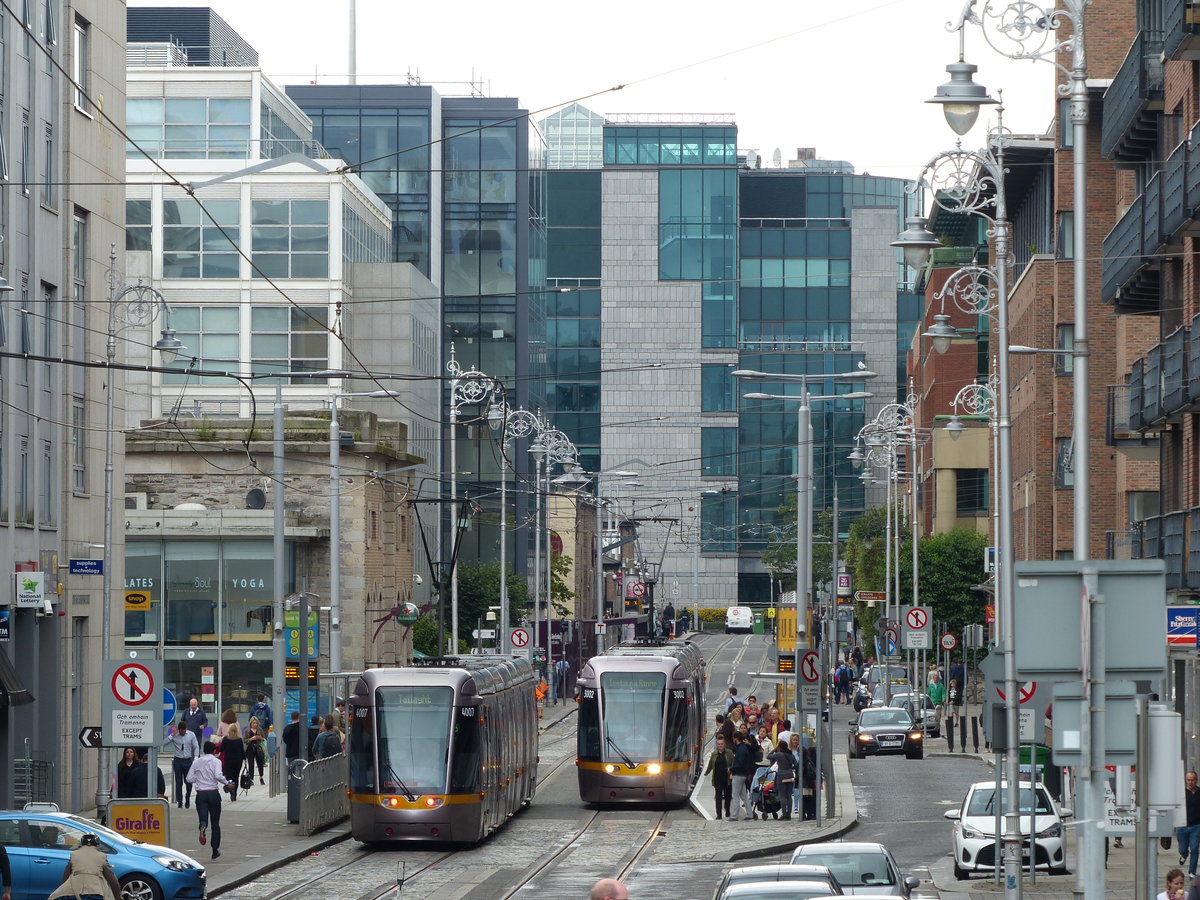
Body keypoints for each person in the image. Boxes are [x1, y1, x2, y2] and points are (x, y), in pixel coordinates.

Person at [186, 740, 232, 859]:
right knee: (215, 823)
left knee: (203, 817)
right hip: (213, 793)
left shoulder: (197, 762)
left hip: (201, 794)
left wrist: (199, 778)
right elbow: (218, 775)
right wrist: (227, 782)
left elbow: (189, 778)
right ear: (214, 751)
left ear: (203, 750)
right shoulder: (216, 761)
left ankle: (203, 825)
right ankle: (215, 850)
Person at [47, 832, 120, 900]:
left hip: (74, 892)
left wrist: (63, 888)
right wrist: (117, 897)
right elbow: (112, 879)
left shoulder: (74, 854)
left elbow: (66, 875)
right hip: (96, 892)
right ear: (97, 844)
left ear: (82, 843)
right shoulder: (102, 856)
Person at [164, 720, 200, 808]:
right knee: (178, 782)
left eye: (184, 731)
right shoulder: (175, 735)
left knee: (188, 782)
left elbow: (196, 746)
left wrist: (196, 757)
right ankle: (179, 801)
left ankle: (187, 798)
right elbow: (164, 743)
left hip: (187, 760)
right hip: (178, 760)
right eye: (181, 731)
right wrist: (172, 735)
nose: (183, 733)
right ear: (179, 729)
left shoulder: (191, 735)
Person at [703, 734, 734, 819]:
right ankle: (719, 814)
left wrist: (732, 772)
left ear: (724, 744)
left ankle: (727, 810)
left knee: (728, 796)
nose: (720, 746)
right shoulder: (714, 754)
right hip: (717, 778)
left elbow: (733, 763)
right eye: (719, 744)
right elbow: (710, 764)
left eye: (722, 744)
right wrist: (707, 772)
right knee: (718, 797)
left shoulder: (729, 753)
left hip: (727, 778)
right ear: (717, 745)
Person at [730, 731, 756, 822]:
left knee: (735, 795)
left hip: (738, 774)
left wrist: (731, 769)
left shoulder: (740, 749)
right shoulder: (744, 748)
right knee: (743, 795)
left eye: (734, 738)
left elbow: (739, 763)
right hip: (744, 774)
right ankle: (749, 814)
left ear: (736, 739)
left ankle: (734, 815)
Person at [768, 738, 796, 820]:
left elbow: (768, 756)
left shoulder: (779, 754)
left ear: (780, 747)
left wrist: (774, 749)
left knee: (782, 796)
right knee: (789, 796)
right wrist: (790, 768)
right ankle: (789, 814)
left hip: (781, 775)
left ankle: (784, 814)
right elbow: (796, 764)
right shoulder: (791, 755)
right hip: (790, 774)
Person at [1179, 771, 1200, 876]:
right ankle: (1184, 855)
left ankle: (1192, 872)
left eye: (1192, 780)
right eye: (1188, 780)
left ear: (1196, 780)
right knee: (1182, 848)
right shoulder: (1181, 793)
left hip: (1196, 826)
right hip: (1182, 825)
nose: (1190, 782)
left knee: (1195, 848)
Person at [219, 722, 246, 801]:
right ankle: (235, 792)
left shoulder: (226, 739)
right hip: (238, 761)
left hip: (229, 760)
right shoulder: (239, 740)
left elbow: (221, 749)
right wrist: (245, 759)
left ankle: (231, 792)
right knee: (236, 776)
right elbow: (242, 751)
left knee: (229, 777)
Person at [244, 715, 268, 785]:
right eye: (253, 723)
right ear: (251, 723)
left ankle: (261, 777)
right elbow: (244, 740)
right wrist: (251, 739)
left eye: (256, 723)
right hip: (250, 749)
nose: (255, 725)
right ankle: (251, 779)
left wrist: (260, 738)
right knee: (251, 764)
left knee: (260, 763)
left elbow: (264, 738)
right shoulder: (247, 730)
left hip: (258, 748)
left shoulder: (260, 730)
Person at [946, 678, 964, 752]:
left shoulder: (957, 689)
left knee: (956, 713)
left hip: (956, 703)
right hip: (951, 702)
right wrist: (949, 701)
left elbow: (958, 696)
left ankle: (956, 722)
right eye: (950, 684)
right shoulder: (950, 689)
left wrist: (954, 701)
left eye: (952, 683)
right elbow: (949, 695)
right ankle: (951, 721)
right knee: (951, 712)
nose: (951, 685)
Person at [927, 672, 946, 738]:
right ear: (933, 679)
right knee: (932, 714)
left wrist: (943, 698)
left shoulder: (941, 685)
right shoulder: (931, 686)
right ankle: (934, 722)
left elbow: (943, 693)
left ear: (938, 679)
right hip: (932, 702)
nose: (936, 679)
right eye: (935, 678)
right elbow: (928, 693)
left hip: (938, 702)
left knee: (938, 715)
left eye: (937, 678)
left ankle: (938, 723)